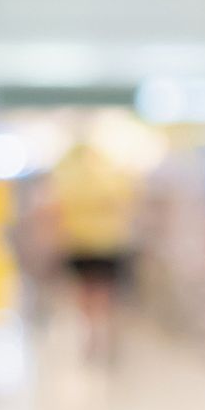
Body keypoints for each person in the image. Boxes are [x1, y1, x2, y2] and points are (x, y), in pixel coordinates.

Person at [48, 138, 138, 368]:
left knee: (90, 292)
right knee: (99, 292)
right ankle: (97, 333)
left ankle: (95, 333)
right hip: (98, 243)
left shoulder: (74, 180)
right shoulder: (112, 179)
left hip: (90, 243)